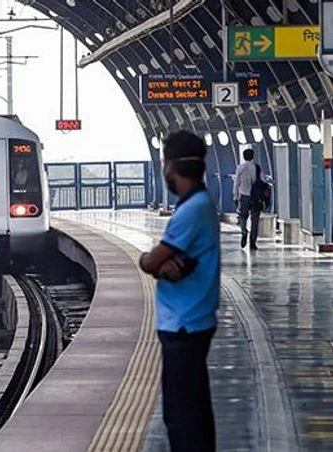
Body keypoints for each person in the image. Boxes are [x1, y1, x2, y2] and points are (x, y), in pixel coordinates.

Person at [138, 130, 220, 452]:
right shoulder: (200, 204)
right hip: (192, 320)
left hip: (184, 323)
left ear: (170, 166)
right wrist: (163, 262)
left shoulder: (190, 210)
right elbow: (167, 261)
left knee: (181, 415)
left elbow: (152, 260)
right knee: (194, 409)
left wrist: (150, 260)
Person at [234, 148, 257, 249]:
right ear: (252, 156)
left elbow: (236, 183)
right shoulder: (256, 168)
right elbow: (263, 180)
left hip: (244, 195)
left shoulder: (240, 168)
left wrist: (235, 196)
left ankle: (244, 231)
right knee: (255, 219)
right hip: (255, 197)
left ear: (244, 157)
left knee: (242, 216)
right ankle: (253, 242)